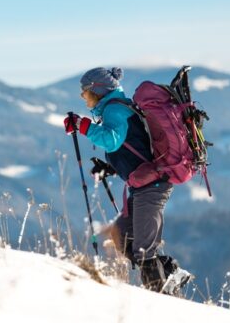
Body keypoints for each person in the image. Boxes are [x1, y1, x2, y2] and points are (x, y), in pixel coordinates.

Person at [64, 67, 190, 294]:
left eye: (85, 92)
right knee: (123, 235)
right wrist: (111, 167)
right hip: (143, 185)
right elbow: (134, 147)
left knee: (143, 250)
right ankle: (172, 273)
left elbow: (111, 140)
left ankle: (160, 298)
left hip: (153, 186)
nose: (83, 97)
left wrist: (82, 125)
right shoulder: (115, 108)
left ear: (98, 90)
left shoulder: (115, 110)